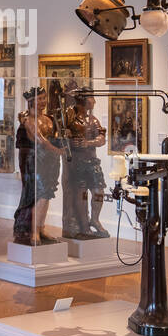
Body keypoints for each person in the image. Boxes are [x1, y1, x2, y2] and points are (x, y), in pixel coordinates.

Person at [13, 87, 61, 245]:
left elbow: (54, 137)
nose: (43, 102)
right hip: (34, 161)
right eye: (39, 99)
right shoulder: (28, 120)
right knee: (37, 195)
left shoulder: (48, 118)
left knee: (46, 195)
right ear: (31, 102)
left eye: (44, 98)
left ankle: (41, 228)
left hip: (49, 161)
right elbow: (42, 141)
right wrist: (60, 150)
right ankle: (33, 232)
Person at [64, 90, 109, 238]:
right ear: (83, 100)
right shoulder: (71, 119)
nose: (94, 101)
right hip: (77, 162)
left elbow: (102, 140)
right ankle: (83, 225)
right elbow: (60, 137)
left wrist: (88, 142)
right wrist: (69, 138)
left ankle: (94, 220)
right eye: (91, 98)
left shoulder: (93, 120)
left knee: (98, 191)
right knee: (81, 194)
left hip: (92, 161)